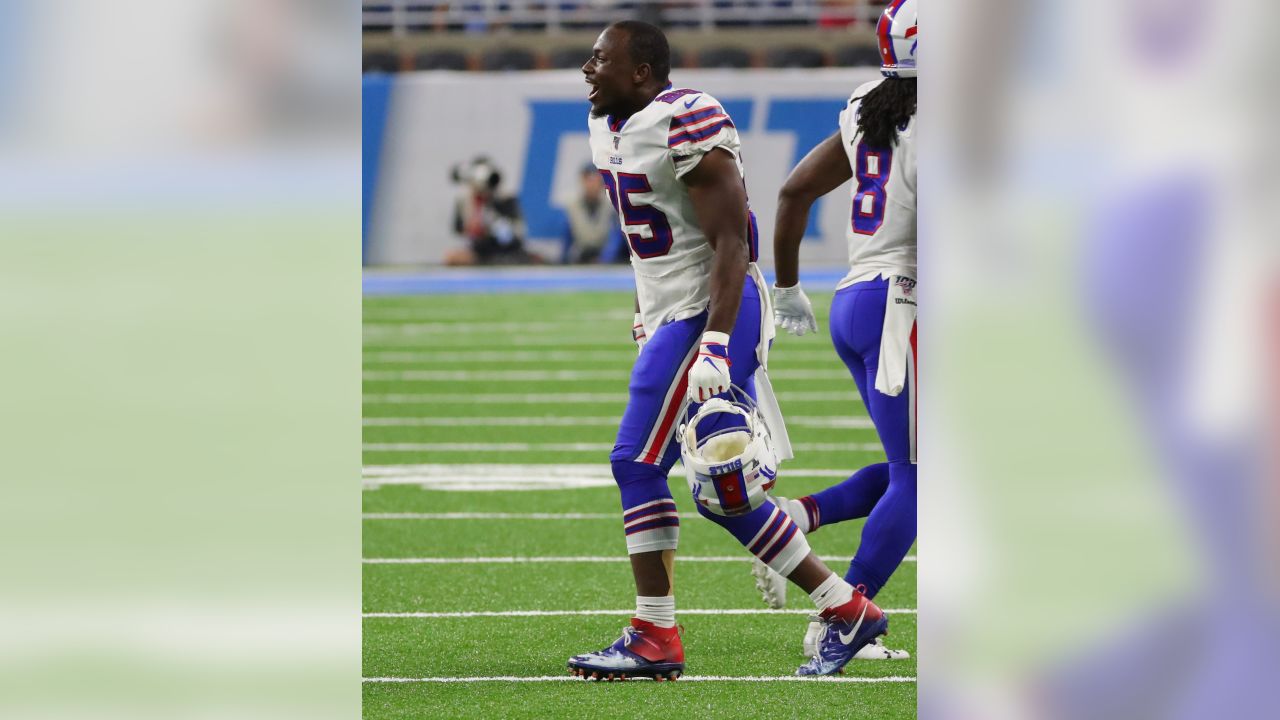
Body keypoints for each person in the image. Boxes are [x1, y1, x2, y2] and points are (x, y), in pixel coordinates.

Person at [565, 20, 887, 682]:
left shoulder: (686, 120)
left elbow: (733, 240)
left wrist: (713, 343)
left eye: (601, 59)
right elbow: (643, 239)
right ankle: (845, 607)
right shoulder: (608, 127)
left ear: (643, 73)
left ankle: (655, 635)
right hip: (671, 316)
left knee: (634, 461)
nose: (587, 69)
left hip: (711, 312)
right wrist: (641, 316)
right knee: (723, 492)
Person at [755, 0, 918, 664]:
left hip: (856, 295)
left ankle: (802, 517)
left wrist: (790, 285)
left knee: (920, 462)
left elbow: (794, 191)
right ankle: (845, 613)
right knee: (923, 477)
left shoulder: (865, 104)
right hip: (903, 301)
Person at [444, 156, 542, 266]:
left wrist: (492, 217)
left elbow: (512, 236)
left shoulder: (505, 199)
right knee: (453, 257)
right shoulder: (465, 201)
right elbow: (458, 228)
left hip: (504, 250)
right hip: (479, 250)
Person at [560, 164, 620, 264]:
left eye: (595, 180)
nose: (592, 184)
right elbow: (567, 239)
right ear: (582, 181)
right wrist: (564, 261)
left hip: (606, 259)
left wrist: (604, 260)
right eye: (588, 180)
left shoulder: (611, 205)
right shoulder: (572, 207)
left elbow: (615, 238)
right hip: (581, 257)